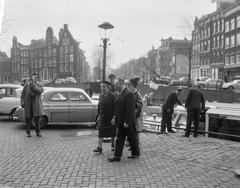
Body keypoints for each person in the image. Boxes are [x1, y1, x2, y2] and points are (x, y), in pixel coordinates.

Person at [108, 80, 140, 162]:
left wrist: (127, 122)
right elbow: (118, 107)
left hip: (127, 122)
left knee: (132, 138)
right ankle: (117, 156)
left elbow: (130, 109)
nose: (115, 87)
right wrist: (115, 118)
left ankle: (135, 154)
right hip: (122, 121)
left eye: (116, 85)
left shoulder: (128, 93)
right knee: (121, 138)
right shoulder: (122, 93)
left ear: (121, 84)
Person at [93, 81, 116, 154]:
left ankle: (113, 146)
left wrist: (114, 118)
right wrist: (98, 116)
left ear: (108, 87)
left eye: (104, 86)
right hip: (103, 117)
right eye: (101, 87)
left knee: (112, 132)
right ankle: (99, 148)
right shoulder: (101, 95)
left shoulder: (113, 96)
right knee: (101, 132)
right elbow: (99, 106)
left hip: (110, 117)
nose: (102, 88)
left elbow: (116, 108)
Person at [20, 73, 44, 137]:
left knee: (37, 121)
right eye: (33, 77)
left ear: (37, 78)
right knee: (28, 120)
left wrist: (33, 86)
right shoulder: (26, 85)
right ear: (31, 77)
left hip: (36, 106)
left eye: (35, 77)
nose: (34, 78)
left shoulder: (39, 85)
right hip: (28, 105)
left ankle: (38, 132)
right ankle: (28, 133)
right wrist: (22, 103)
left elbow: (40, 91)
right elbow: (22, 95)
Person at [127, 78, 143, 146]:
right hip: (129, 115)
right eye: (128, 85)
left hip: (135, 115)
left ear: (133, 86)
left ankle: (137, 144)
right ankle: (131, 144)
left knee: (136, 131)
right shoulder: (128, 93)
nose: (128, 86)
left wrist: (134, 106)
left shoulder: (137, 94)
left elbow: (140, 103)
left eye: (129, 85)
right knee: (130, 131)